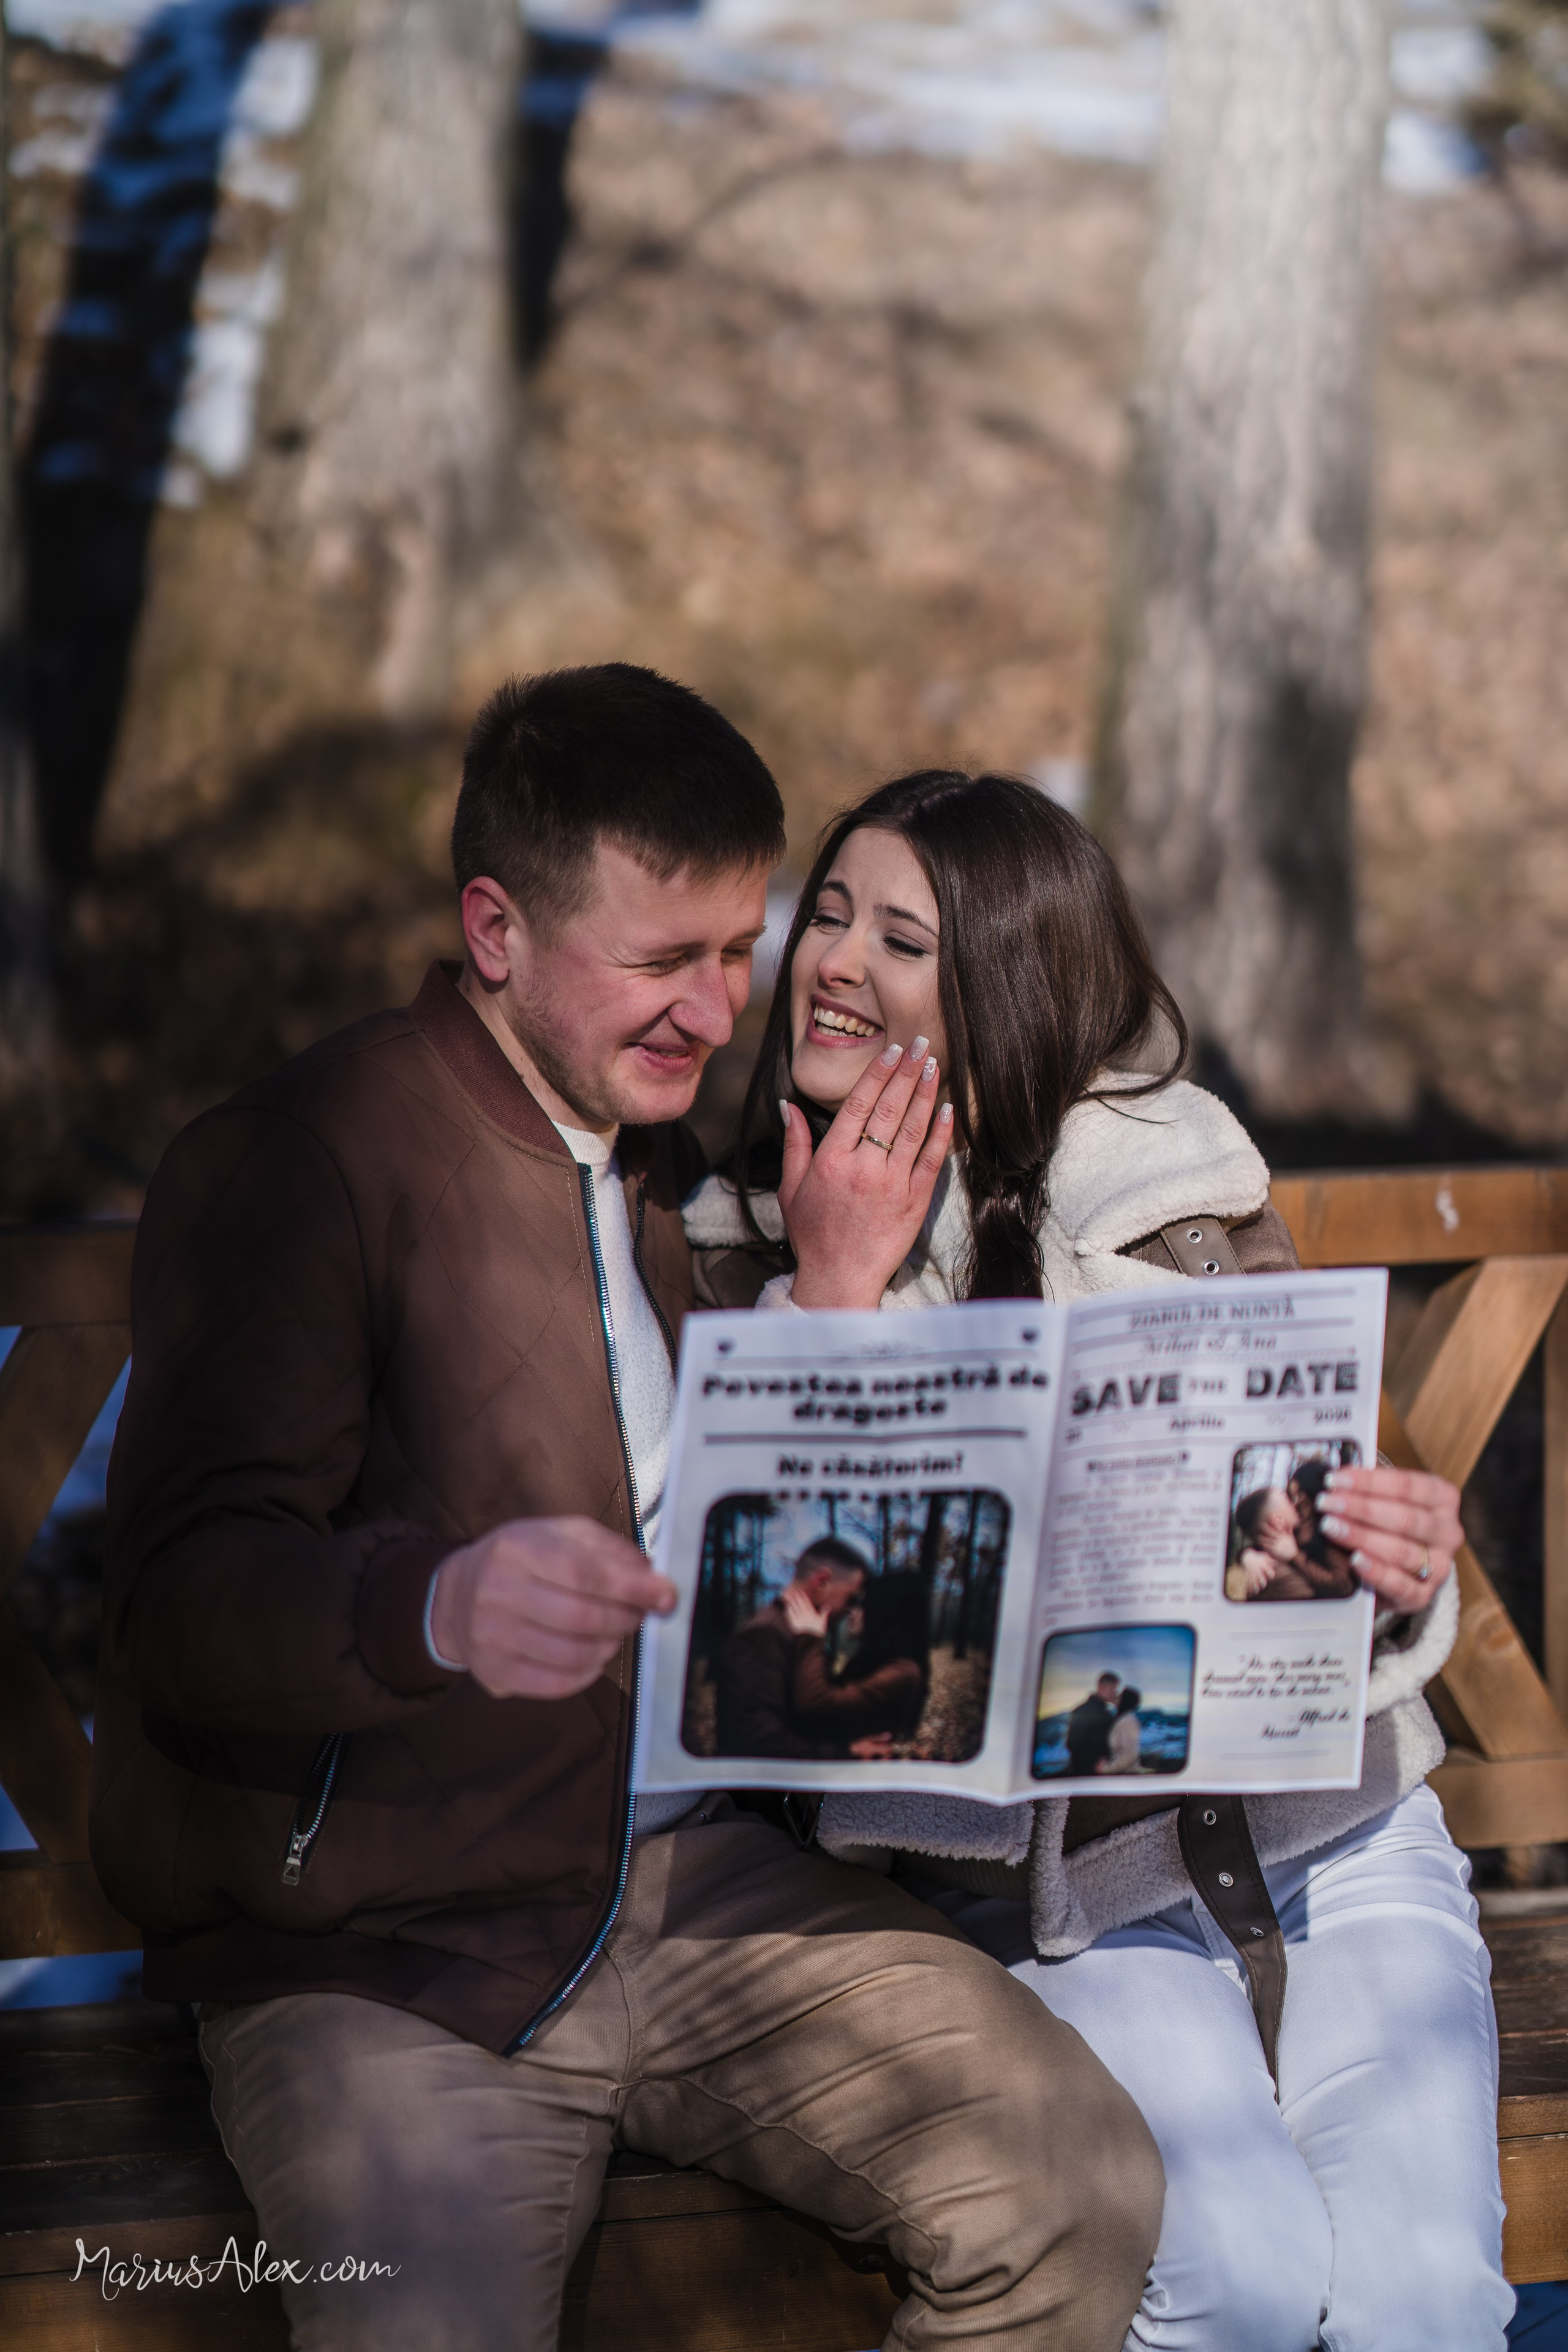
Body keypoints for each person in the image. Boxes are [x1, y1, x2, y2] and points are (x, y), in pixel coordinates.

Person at [94, 697, 1164, 2352]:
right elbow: (176, 1597)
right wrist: (431, 1609)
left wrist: (836, 1300)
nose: (718, 1010)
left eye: (737, 950)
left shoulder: (685, 1188)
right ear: (495, 930)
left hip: (692, 1896)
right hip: (389, 1955)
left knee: (1075, 2177)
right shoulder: (303, 1160)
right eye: (662, 958)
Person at [684, 766, 1508, 2351]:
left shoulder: (1171, 1182)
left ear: (1009, 985)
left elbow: (1327, 1531)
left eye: (901, 938)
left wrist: (1393, 1560)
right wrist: (838, 1302)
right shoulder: (739, 1243)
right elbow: (803, 1694)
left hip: (1335, 1836)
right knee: (1238, 2278)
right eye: (831, 915)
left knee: (1423, 2307)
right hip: (1056, 1890)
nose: (834, 960)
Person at [712, 1536, 919, 1758]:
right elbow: (757, 1742)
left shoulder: (796, 1631)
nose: (849, 1610)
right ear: (821, 1581)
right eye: (850, 1599)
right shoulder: (765, 1634)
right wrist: (847, 1752)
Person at [1065, 1673, 1122, 1775]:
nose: (1115, 1693)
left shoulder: (1105, 1712)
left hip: (1096, 1772)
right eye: (1113, 1689)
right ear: (1102, 1687)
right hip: (1088, 1774)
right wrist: (1098, 1760)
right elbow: (1073, 1744)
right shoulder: (1085, 1712)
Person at [1098, 1689, 1143, 1776]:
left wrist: (1107, 1769)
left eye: (1120, 1696)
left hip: (1126, 1778)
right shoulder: (1123, 1719)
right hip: (1122, 1778)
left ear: (1125, 1700)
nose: (1116, 1697)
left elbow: (1130, 1754)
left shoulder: (1128, 1721)